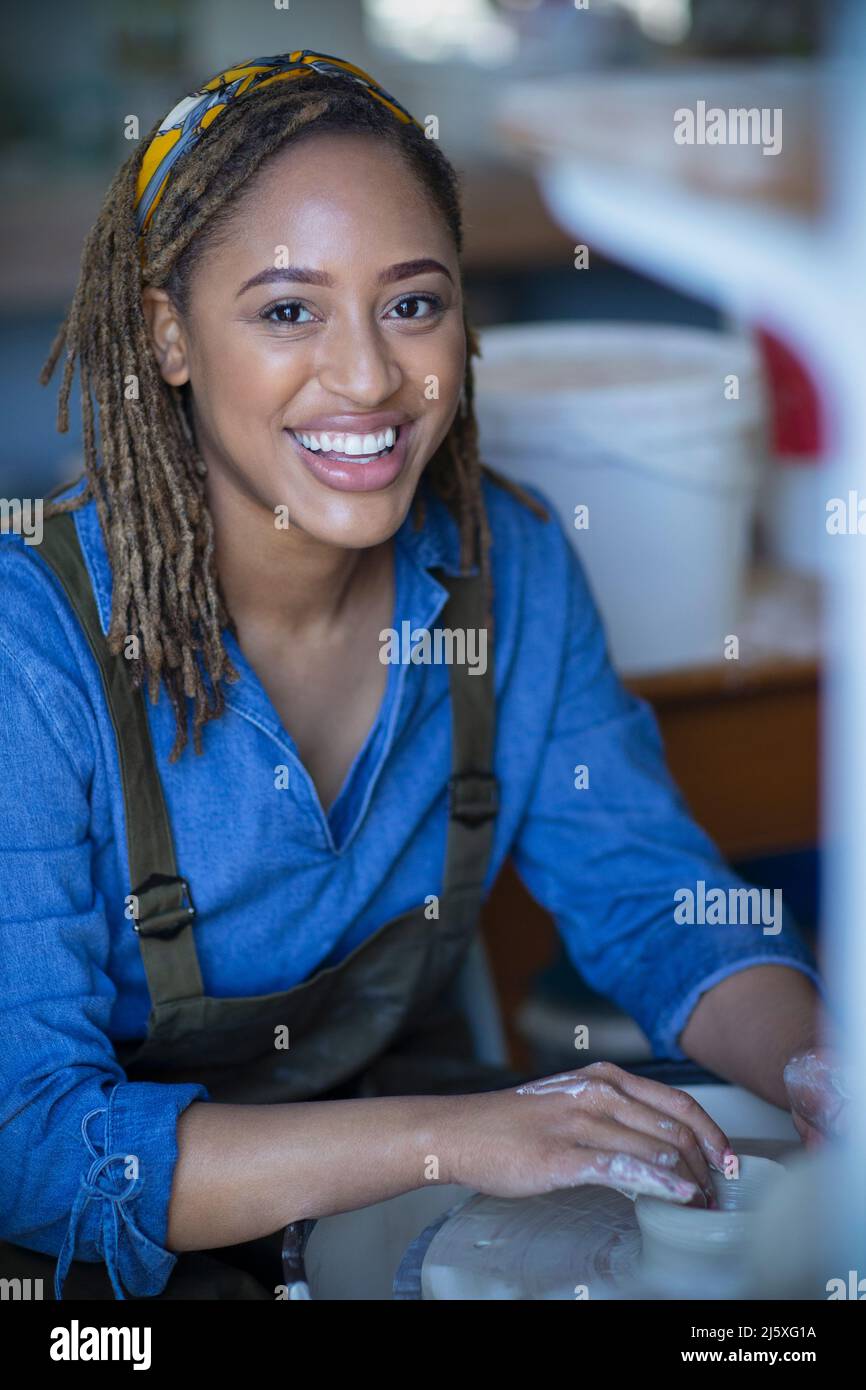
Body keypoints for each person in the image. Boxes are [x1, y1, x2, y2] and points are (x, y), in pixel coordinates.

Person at [0, 50, 832, 1301]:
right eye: (287, 311)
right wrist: (457, 1135)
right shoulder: (35, 644)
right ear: (168, 334)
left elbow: (654, 902)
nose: (369, 379)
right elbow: (33, 1146)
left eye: (411, 304)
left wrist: (822, 1066)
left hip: (400, 1208)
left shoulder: (514, 572)